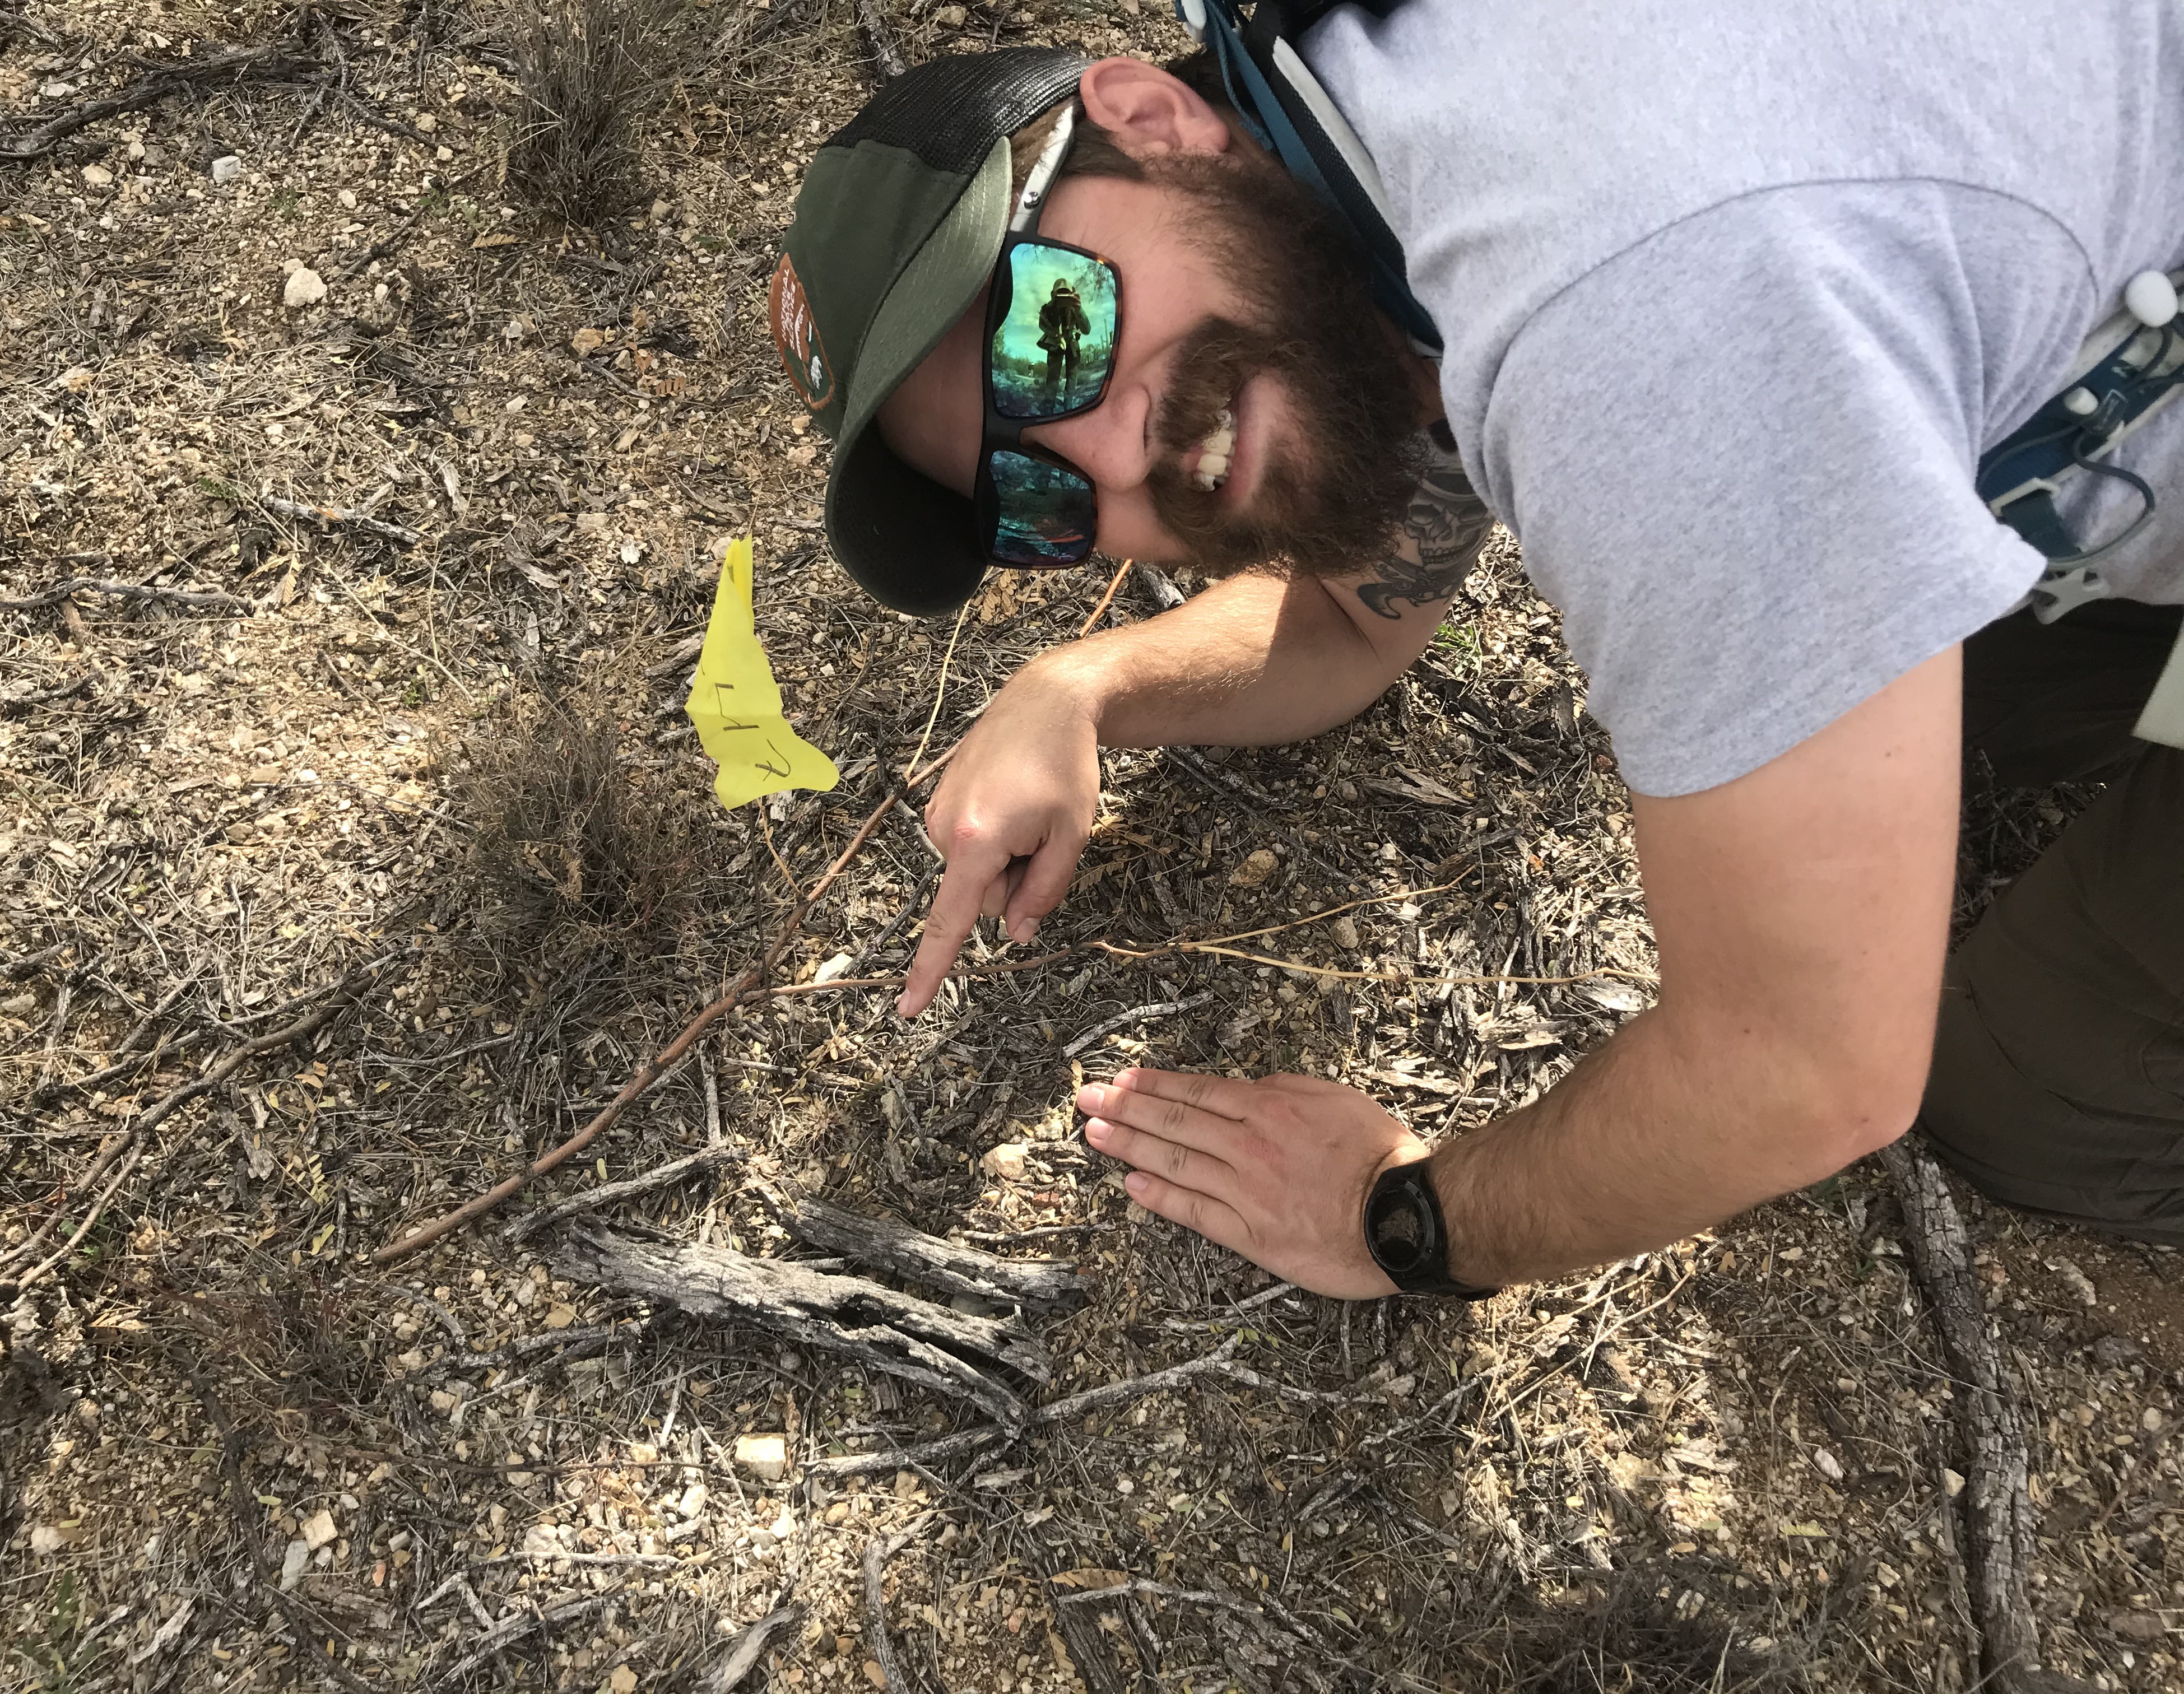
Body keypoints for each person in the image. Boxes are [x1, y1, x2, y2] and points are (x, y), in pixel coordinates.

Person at [766, 4, 2184, 1300]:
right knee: (1907, 676)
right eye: (1032, 498)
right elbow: (1344, 619)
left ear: (1148, 120)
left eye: (1048, 330)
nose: (1107, 449)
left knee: (2028, 1093)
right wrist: (1084, 685)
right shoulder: (1352, 162)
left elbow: (1808, 1069)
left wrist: (1401, 1220)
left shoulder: (1633, 311)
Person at [1039, 278, 1090, 396]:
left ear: (1072, 293)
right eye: (1060, 293)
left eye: (1066, 293)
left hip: (1072, 343)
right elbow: (1041, 325)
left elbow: (1087, 330)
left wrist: (1079, 310)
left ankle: (1069, 404)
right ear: (1053, 294)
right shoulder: (1047, 309)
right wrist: (1053, 334)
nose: (1063, 297)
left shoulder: (1075, 308)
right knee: (1053, 374)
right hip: (1056, 342)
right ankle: (1049, 403)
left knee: (1072, 375)